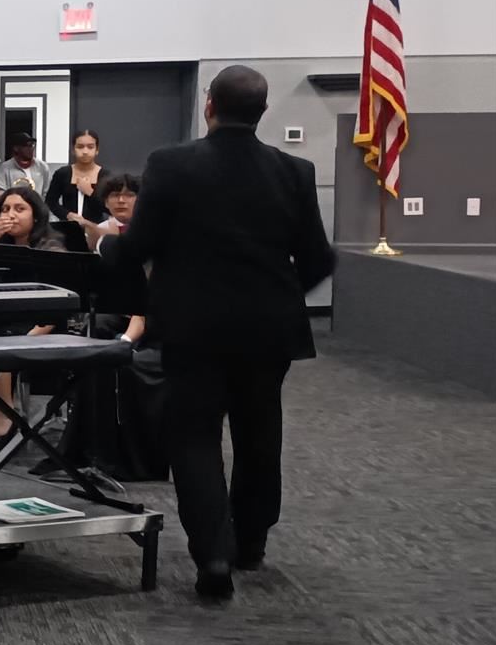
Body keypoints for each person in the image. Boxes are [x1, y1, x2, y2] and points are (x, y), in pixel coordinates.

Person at [102, 64, 334, 600]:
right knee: (259, 434)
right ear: (263, 110)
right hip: (269, 330)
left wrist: (104, 247)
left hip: (193, 328)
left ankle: (212, 557)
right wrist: (277, 296)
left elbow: (137, 248)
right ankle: (252, 542)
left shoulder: (170, 164)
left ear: (209, 105)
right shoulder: (294, 171)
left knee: (195, 436)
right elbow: (320, 259)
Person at [46, 129, 108, 226]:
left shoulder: (105, 176)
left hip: (97, 228)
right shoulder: (62, 173)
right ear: (73, 149)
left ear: (97, 150)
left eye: (90, 147)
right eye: (80, 147)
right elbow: (51, 201)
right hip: (69, 228)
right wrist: (67, 215)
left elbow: (109, 208)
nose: (85, 151)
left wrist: (90, 192)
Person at [0, 187, 67, 251]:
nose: (10, 215)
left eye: (20, 209)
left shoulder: (52, 249)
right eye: (5, 209)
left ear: (36, 216)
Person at [77, 172, 140, 250]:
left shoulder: (153, 229)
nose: (121, 200)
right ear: (106, 202)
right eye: (115, 195)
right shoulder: (100, 230)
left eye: (129, 195)